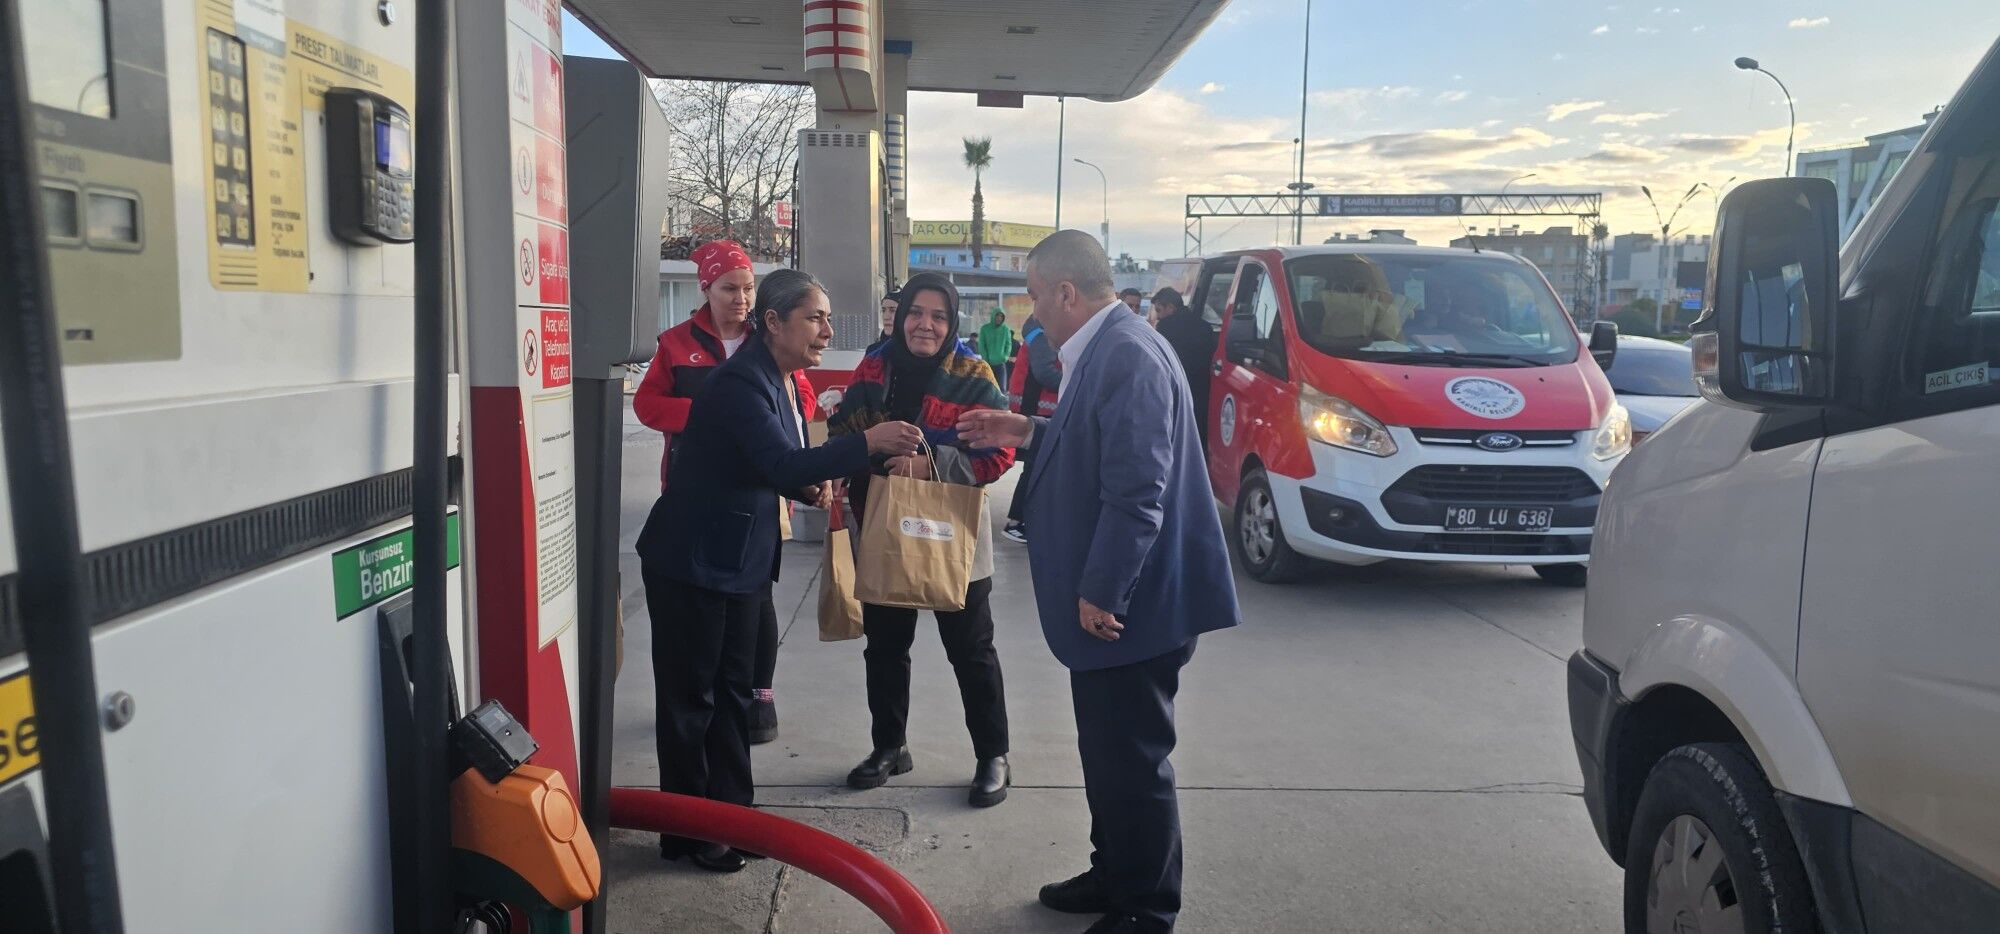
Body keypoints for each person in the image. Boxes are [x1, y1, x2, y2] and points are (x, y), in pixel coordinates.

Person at [959, 230, 1239, 934]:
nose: (1031, 313)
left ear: (1065, 292)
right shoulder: (1106, 347)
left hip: (1132, 609)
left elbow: (1137, 489)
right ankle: (1113, 871)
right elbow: (1095, 441)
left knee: (1134, 763)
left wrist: (1102, 590)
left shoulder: (1126, 355)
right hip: (1120, 608)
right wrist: (1024, 429)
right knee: (1108, 754)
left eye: (1034, 296)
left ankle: (1145, 908)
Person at [637, 269, 922, 873]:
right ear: (773, 322)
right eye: (814, 318)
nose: (825, 330)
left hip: (736, 560)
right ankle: (689, 830)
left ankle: (732, 818)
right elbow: (777, 457)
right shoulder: (741, 382)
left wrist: (809, 484)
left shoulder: (782, 380)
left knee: (736, 696)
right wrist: (866, 444)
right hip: (694, 562)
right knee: (694, 702)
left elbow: (771, 464)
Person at [828, 272, 1016, 808]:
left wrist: (928, 463)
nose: (924, 325)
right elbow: (845, 429)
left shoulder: (975, 376)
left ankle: (993, 755)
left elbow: (998, 455)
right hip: (885, 524)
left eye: (937, 315)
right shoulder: (874, 366)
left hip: (951, 531)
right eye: (915, 312)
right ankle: (889, 746)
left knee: (971, 649)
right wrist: (843, 457)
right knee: (886, 646)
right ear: (900, 314)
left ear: (952, 321)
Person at [633, 240, 811, 746]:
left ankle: (759, 696)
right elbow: (648, 406)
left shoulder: (771, 336)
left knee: (757, 595)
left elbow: (800, 397)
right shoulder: (674, 343)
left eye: (748, 288)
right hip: (695, 491)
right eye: (729, 288)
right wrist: (717, 417)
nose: (741, 299)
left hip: (762, 486)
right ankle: (699, 699)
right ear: (705, 289)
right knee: (705, 605)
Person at [1002, 310, 1060, 544]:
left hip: (1036, 408)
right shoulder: (1040, 334)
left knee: (1038, 468)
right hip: (1038, 410)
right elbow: (1045, 372)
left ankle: (1024, 520)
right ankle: (1017, 522)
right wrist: (1078, 379)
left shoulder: (1039, 331)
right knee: (1036, 469)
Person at [1148, 287, 1216, 448]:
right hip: (1202, 390)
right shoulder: (1205, 326)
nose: (1157, 316)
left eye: (1159, 310)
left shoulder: (1165, 327)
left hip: (1175, 388)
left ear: (1171, 307)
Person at [976, 308, 1017, 390]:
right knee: (987, 389)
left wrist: (1005, 356)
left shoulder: (1005, 329)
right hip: (988, 364)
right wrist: (986, 358)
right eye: (997, 315)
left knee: (1002, 389)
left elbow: (1008, 345)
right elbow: (981, 345)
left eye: (1001, 316)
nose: (999, 318)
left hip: (1001, 364)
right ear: (993, 316)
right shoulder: (985, 329)